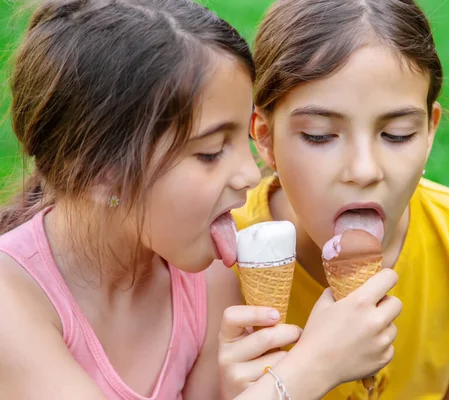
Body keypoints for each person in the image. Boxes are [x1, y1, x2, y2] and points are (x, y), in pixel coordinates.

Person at [0, 1, 401, 399]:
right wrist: (311, 369)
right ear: (99, 170)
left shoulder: (207, 278)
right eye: (210, 152)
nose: (250, 174)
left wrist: (237, 389)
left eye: (242, 138)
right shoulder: (11, 303)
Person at [233, 0, 449, 398]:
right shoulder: (216, 264)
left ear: (430, 131)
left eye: (396, 134)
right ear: (264, 137)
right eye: (319, 135)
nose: (364, 170)